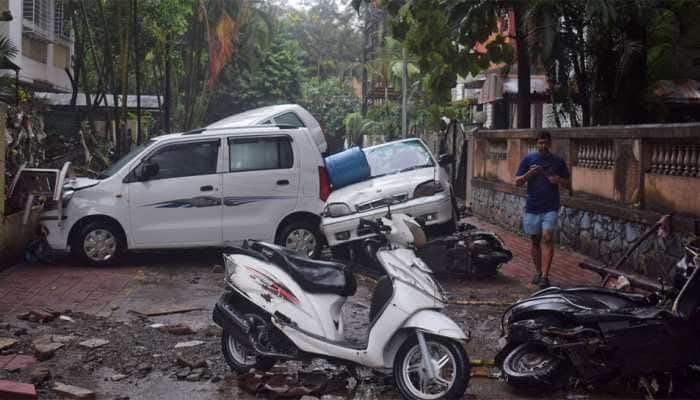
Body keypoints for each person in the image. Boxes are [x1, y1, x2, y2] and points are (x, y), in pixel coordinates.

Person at [514, 131, 569, 288]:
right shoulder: (528, 160)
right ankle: (538, 272)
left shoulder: (558, 161)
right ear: (536, 144)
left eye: (546, 143)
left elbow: (568, 184)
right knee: (535, 240)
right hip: (532, 206)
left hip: (550, 206)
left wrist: (558, 180)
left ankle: (545, 276)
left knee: (547, 238)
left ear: (550, 143)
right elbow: (517, 182)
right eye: (540, 143)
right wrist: (530, 173)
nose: (543, 146)